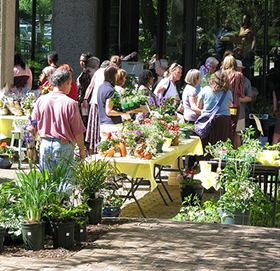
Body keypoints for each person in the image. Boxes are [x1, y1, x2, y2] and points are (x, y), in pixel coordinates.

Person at [28, 69, 86, 175]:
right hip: (63, 146)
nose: (71, 87)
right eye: (70, 84)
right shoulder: (71, 104)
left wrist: (30, 148)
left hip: (44, 145)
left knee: (47, 184)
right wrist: (82, 150)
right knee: (65, 182)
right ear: (65, 84)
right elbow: (78, 131)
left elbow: (31, 126)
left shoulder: (40, 100)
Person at [84, 57, 115, 155]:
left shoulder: (97, 72)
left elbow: (90, 87)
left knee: (93, 129)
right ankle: (101, 152)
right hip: (103, 103)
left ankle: (90, 154)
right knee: (100, 129)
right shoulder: (107, 74)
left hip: (94, 103)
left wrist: (85, 99)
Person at [197, 70, 233, 154]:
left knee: (206, 145)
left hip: (207, 120)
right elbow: (229, 105)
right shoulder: (228, 92)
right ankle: (220, 164)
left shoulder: (205, 89)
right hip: (223, 120)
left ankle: (204, 163)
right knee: (222, 144)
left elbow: (199, 105)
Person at [97, 66, 135, 141]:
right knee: (116, 150)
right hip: (112, 125)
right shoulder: (110, 90)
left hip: (102, 124)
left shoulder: (101, 87)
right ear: (114, 75)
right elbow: (109, 111)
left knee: (105, 150)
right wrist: (124, 112)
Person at [222, 55, 245, 138]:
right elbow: (242, 93)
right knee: (232, 129)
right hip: (234, 105)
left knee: (222, 128)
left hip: (223, 106)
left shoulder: (221, 74)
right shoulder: (239, 75)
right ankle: (229, 147)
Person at [234, 60, 253, 147]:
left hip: (240, 113)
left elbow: (249, 98)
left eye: (240, 69)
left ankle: (237, 156)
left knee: (237, 134)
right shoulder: (226, 79)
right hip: (225, 112)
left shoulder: (246, 81)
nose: (238, 71)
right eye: (236, 69)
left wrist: (235, 99)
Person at [77, 56, 100, 128]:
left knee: (83, 120)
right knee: (87, 121)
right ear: (96, 66)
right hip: (88, 100)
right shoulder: (92, 73)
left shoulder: (83, 73)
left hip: (82, 99)